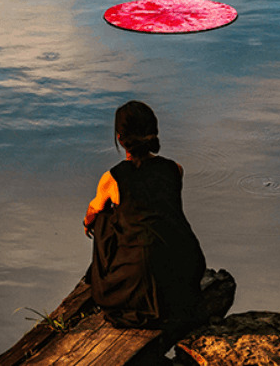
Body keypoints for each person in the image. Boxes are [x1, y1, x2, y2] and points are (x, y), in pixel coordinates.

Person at [82, 100, 207, 332]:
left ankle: (118, 276)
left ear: (120, 138)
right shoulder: (175, 169)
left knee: (102, 219)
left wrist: (88, 224)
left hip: (137, 280)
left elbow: (92, 214)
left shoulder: (113, 178)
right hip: (185, 267)